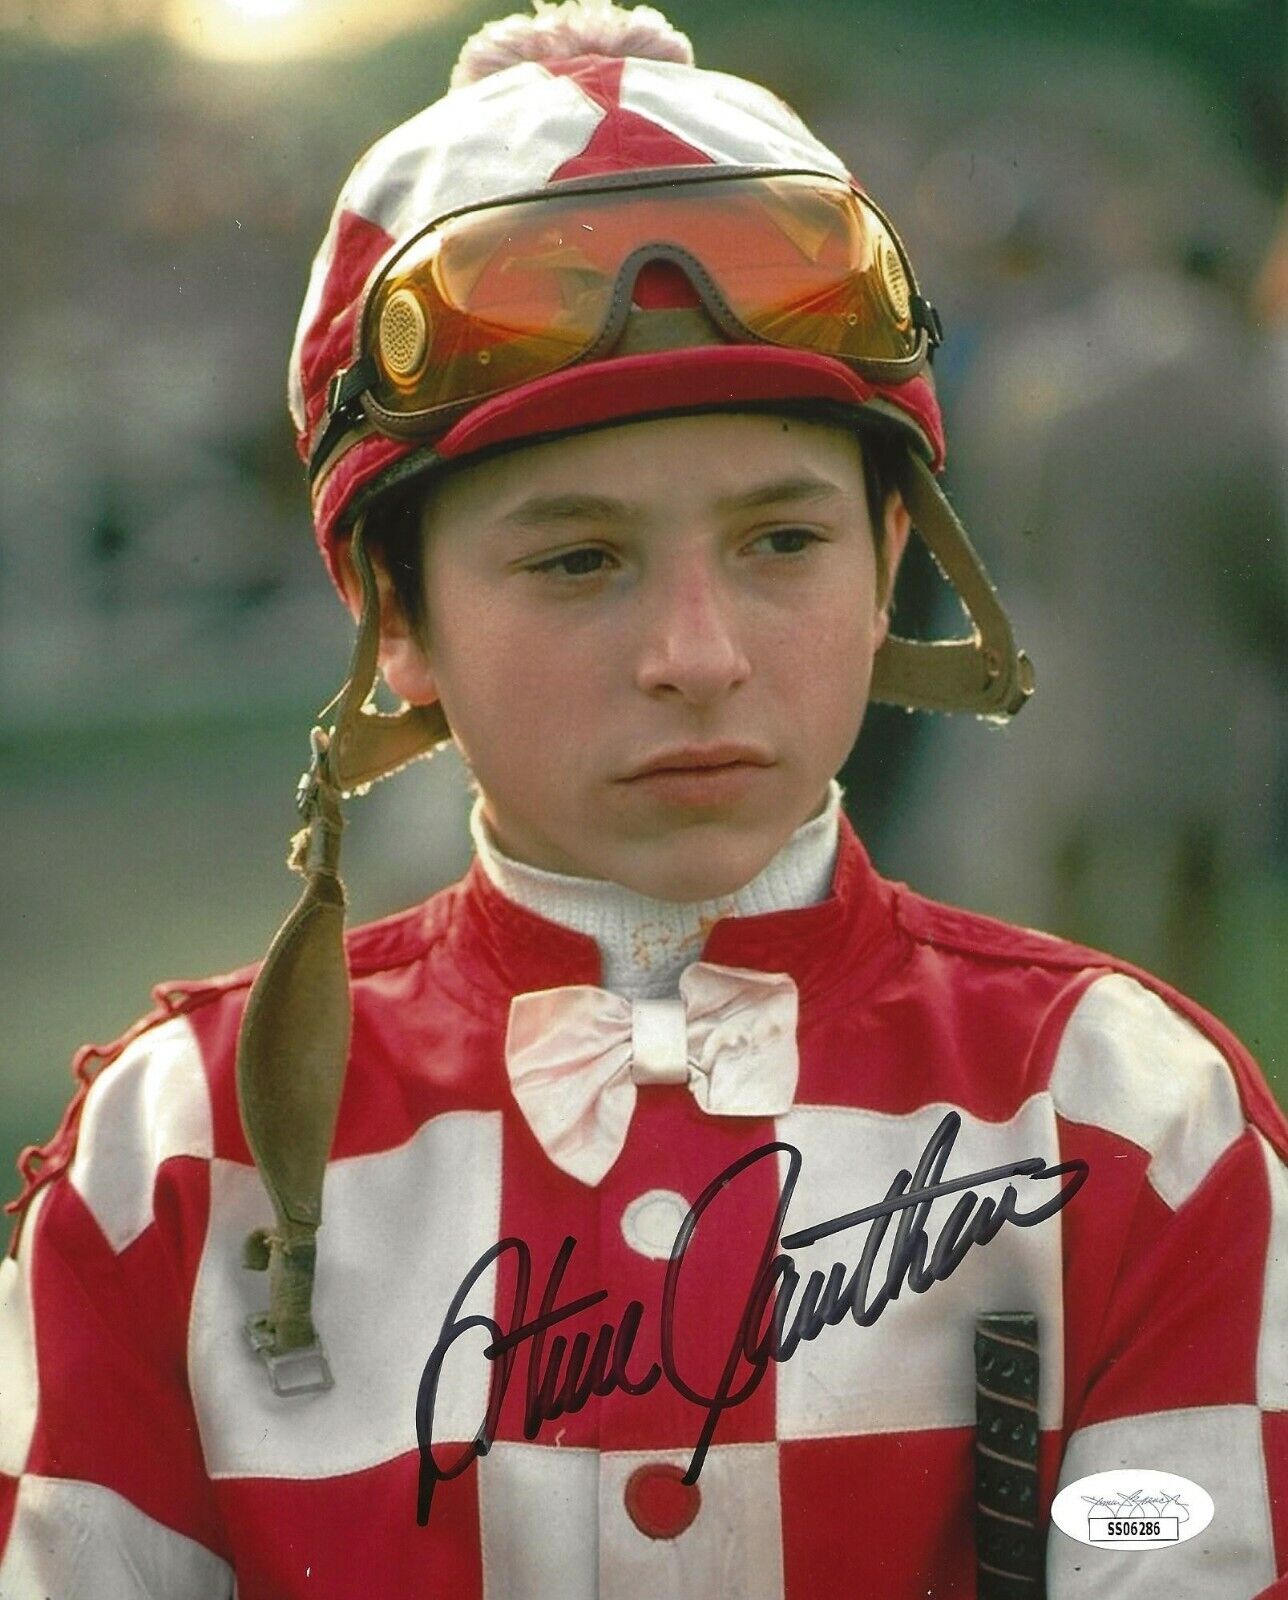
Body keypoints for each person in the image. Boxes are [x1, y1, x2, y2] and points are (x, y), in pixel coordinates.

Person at [1, 4, 1284, 1596]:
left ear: (894, 567)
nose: (699, 655)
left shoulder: (1136, 1124)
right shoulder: (174, 1161)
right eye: (577, 560)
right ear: (393, 620)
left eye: (782, 542)